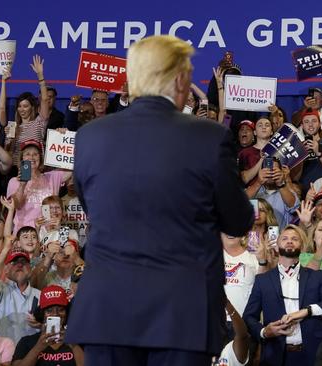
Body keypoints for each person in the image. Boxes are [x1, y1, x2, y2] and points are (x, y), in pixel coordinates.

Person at [66, 35, 254, 366]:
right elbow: (238, 221)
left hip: (106, 313)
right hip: (182, 315)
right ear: (180, 79)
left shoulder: (90, 136)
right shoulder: (209, 137)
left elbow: (90, 205)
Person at [243, 225, 322, 366]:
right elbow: (248, 317)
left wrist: (307, 311)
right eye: (284, 238)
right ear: (277, 247)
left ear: (302, 247)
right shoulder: (263, 280)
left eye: (294, 239)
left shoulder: (316, 277)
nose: (290, 241)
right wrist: (264, 331)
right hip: (275, 355)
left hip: (311, 355)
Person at [0, 238, 41, 344]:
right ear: (5, 270)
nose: (19, 265)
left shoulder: (40, 295)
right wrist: (5, 250)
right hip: (2, 354)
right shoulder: (1, 288)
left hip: (32, 354)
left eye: (23, 262)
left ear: (30, 268)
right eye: (14, 262)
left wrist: (42, 325)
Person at [12, 285, 84, 366]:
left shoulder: (78, 341)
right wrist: (38, 347)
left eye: (61, 310)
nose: (55, 314)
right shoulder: (26, 342)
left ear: (67, 313)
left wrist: (73, 344)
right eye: (49, 310)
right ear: (42, 314)